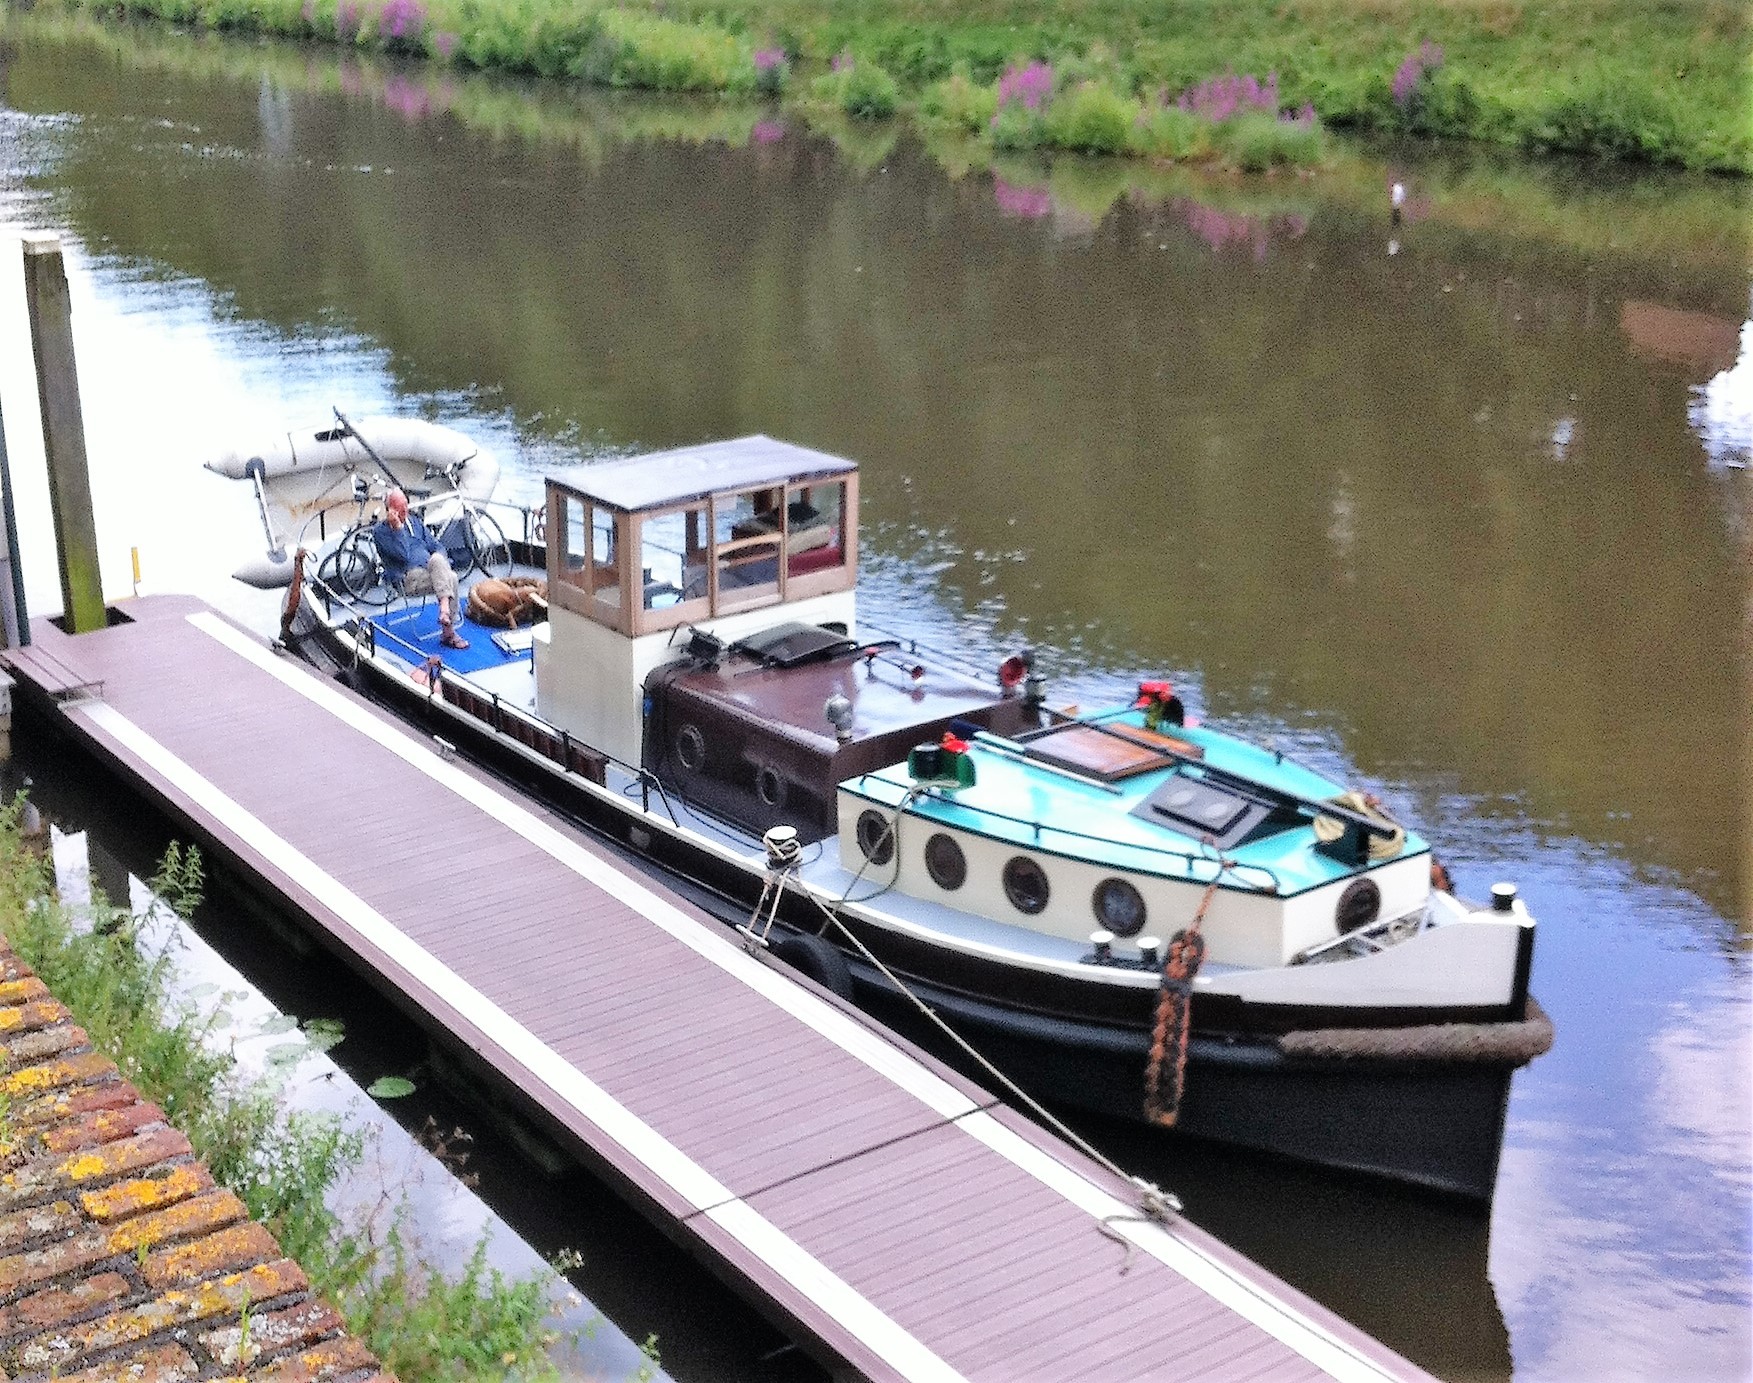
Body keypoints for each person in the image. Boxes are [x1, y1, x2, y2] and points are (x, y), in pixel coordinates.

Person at [372, 489, 469, 650]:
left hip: (431, 571)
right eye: (400, 508)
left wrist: (441, 559)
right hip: (407, 579)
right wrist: (397, 529)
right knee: (450, 577)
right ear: (390, 510)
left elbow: (437, 545)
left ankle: (446, 620)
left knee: (440, 562)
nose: (405, 510)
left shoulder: (415, 522)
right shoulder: (381, 532)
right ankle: (448, 630)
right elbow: (403, 555)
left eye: (406, 505)